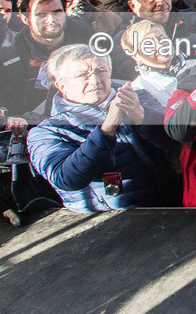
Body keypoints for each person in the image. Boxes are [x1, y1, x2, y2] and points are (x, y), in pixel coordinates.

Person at [27, 44, 181, 212]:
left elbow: (179, 142)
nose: (95, 81)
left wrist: (144, 117)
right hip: (114, 219)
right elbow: (65, 178)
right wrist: (106, 131)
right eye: (82, 75)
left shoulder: (138, 97)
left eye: (101, 71)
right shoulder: (47, 131)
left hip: (176, 202)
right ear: (61, 85)